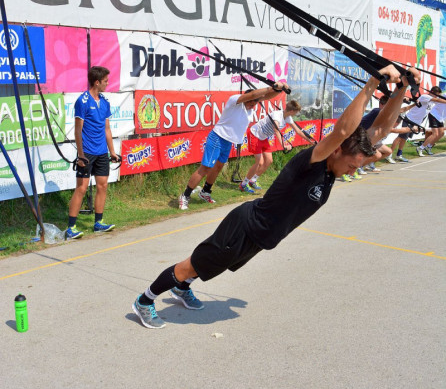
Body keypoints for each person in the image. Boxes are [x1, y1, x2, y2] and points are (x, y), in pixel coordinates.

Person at [132, 64, 418, 328]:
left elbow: (380, 129)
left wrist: (402, 88)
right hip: (244, 229)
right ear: (336, 150)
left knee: (213, 266)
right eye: (352, 165)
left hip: (260, 237)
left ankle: (182, 289)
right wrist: (372, 82)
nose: (353, 170)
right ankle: (145, 300)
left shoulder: (336, 168)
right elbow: (343, 130)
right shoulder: (314, 161)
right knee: (190, 265)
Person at [178, 83, 287, 210]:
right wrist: (271, 88)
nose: (252, 105)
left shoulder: (251, 105)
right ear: (246, 98)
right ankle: (185, 195)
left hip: (228, 141)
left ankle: (205, 192)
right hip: (218, 137)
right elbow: (253, 94)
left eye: (255, 103)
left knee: (218, 167)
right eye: (251, 102)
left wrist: (279, 89)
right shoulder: (235, 101)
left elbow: (266, 96)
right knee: (206, 168)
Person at [65, 66, 119, 240]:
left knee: (103, 186)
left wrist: (112, 152)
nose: (107, 84)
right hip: (87, 153)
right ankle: (71, 228)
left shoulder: (105, 102)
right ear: (97, 82)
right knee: (81, 188)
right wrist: (80, 155)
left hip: (102, 152)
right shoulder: (82, 101)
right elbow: (77, 131)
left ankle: (98, 223)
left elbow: (107, 129)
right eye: (105, 81)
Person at [238, 99, 309, 193]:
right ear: (292, 111)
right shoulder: (277, 115)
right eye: (296, 112)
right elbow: (276, 130)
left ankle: (253, 181)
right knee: (259, 162)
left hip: (263, 138)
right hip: (255, 135)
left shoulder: (288, 117)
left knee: (269, 160)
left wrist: (310, 140)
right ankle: (243, 184)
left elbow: (298, 131)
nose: (296, 114)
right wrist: (283, 145)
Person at [387, 87, 445, 162]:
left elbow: (440, 101)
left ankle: (399, 155)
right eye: (436, 95)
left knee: (404, 138)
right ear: (432, 92)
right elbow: (438, 100)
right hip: (410, 119)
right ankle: (389, 154)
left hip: (416, 122)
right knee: (400, 138)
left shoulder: (432, 100)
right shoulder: (425, 96)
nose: (437, 96)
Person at [415, 87, 446, 156]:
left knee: (441, 133)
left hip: (440, 118)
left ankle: (429, 146)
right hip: (434, 115)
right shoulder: (444, 95)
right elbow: (437, 99)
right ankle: (420, 148)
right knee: (435, 134)